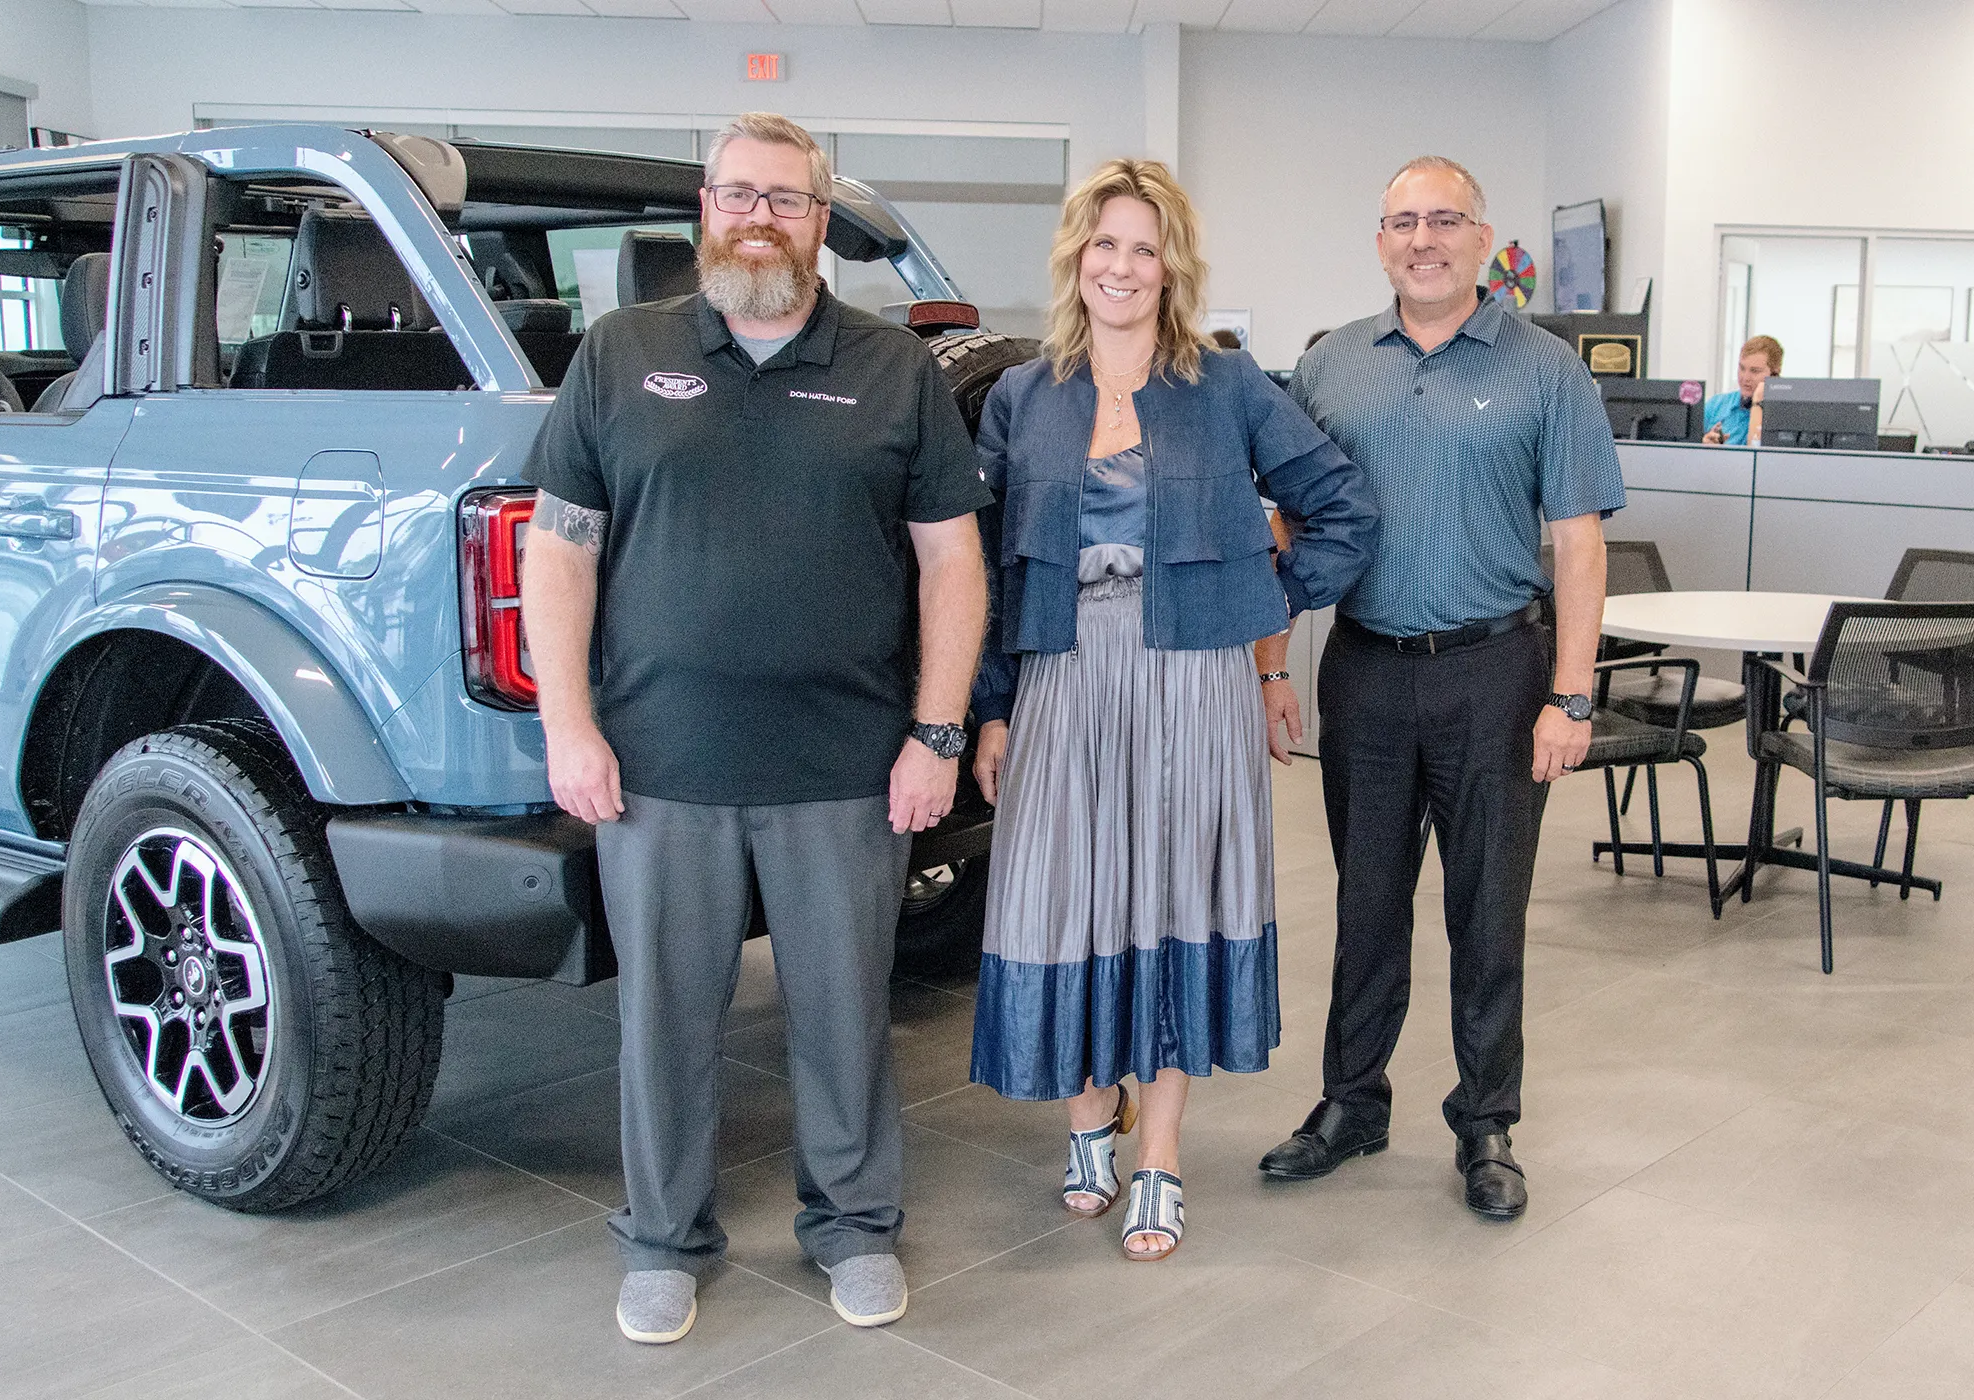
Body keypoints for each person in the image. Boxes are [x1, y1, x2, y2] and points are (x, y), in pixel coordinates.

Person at [521, 111, 994, 1343]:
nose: (761, 218)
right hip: (658, 765)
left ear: (820, 219)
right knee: (666, 1020)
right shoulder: (621, 355)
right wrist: (568, 724)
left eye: (786, 199)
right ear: (704, 209)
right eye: (740, 195)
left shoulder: (892, 369)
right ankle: (663, 1239)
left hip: (845, 764)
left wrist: (935, 734)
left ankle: (851, 1223)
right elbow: (559, 554)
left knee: (845, 1014)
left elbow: (953, 566)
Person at [966, 158, 1377, 1261]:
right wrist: (992, 705)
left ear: (1172, 266)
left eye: (1144, 248)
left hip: (1193, 677)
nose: (1122, 266)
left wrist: (1257, 598)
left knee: (1175, 895)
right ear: (1075, 257)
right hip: (1063, 672)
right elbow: (987, 571)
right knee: (1069, 896)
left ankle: (1160, 1148)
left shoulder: (1228, 386)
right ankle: (1087, 1118)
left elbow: (1341, 507)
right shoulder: (1023, 395)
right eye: (1105, 244)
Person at [1257, 155, 1625, 1220]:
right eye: (1403, 222)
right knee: (1365, 900)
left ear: (1480, 236)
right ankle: (1351, 1100)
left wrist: (1571, 695)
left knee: (1487, 907)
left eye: (1444, 220)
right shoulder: (1328, 366)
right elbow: (1286, 524)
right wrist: (1274, 663)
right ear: (1381, 240)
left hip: (1497, 674)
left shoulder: (1546, 368)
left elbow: (1579, 543)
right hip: (1364, 667)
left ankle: (1487, 1121)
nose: (1424, 238)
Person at [1702, 334, 1783, 445]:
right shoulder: (1716, 405)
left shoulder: (1781, 415)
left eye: (1755, 371)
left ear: (1774, 374)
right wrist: (1703, 445)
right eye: (1742, 368)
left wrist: (1758, 402)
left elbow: (1756, 455)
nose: (1745, 378)